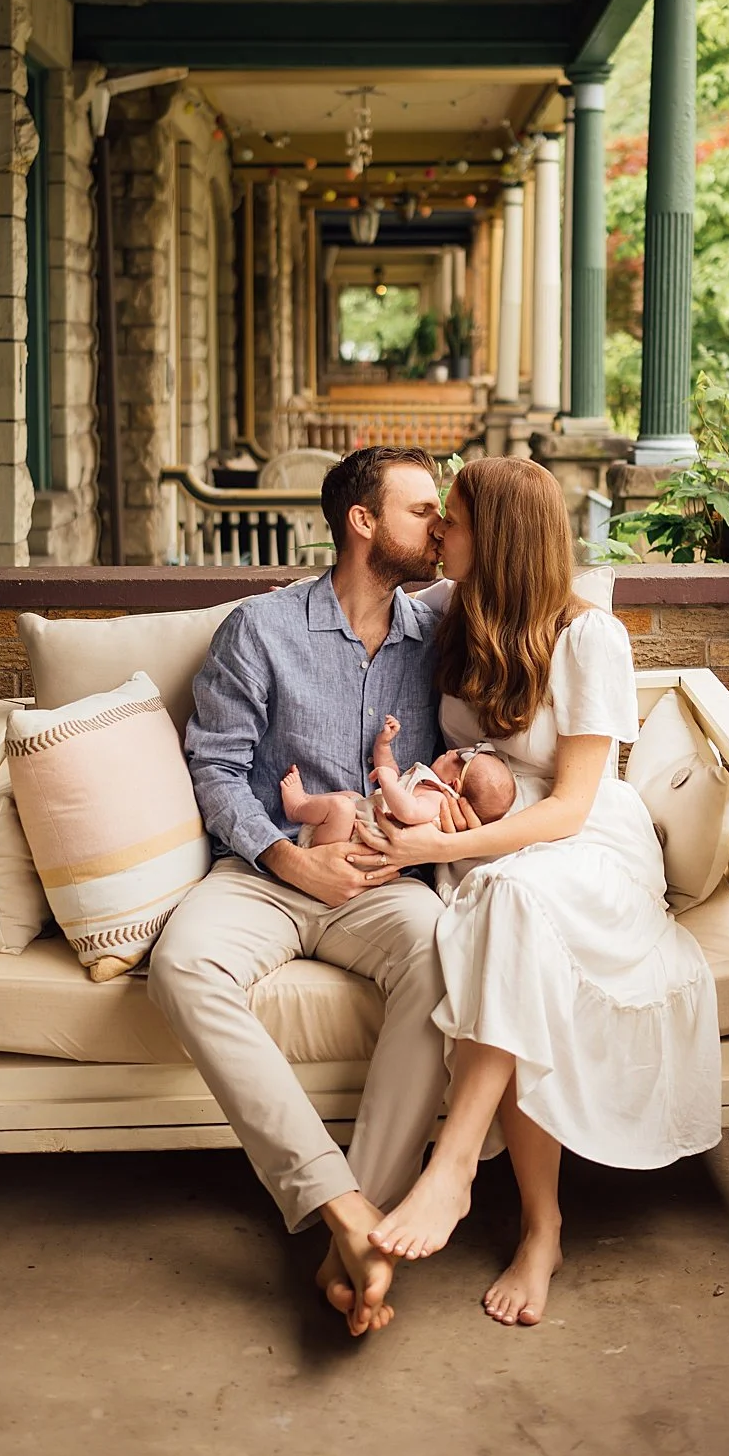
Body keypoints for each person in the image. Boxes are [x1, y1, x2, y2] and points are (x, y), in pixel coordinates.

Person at [358, 456, 722, 1327]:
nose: (440, 531)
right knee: (506, 919)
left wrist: (442, 847)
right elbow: (354, 604)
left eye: (453, 520)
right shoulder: (449, 610)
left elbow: (570, 804)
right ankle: (541, 1227)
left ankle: (451, 1171)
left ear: (503, 540)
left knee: (511, 903)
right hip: (484, 853)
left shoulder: (589, 638)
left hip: (583, 846)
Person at [148, 446, 450, 1340]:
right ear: (363, 522)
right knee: (182, 964)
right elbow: (215, 768)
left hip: (381, 884)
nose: (437, 528)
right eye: (421, 510)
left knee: (444, 955)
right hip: (266, 875)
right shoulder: (260, 629)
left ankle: (353, 1238)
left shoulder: (436, 635)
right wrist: (286, 858)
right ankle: (341, 1208)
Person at [280, 716, 517, 845]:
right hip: (351, 823)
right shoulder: (424, 783)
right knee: (351, 798)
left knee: (342, 807)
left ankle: (298, 807)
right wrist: (383, 745)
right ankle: (309, 802)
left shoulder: (436, 801)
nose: (453, 751)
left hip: (347, 843)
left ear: (454, 786)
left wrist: (388, 783)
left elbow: (409, 812)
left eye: (459, 759)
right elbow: (390, 770)